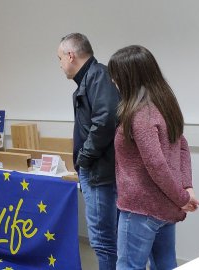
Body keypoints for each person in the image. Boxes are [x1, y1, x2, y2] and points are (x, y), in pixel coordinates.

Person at [108, 45, 199, 270]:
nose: (113, 82)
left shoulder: (140, 114)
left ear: (130, 77)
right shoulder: (164, 106)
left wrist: (182, 196)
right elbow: (183, 147)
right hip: (164, 209)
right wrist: (186, 189)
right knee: (165, 264)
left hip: (140, 210)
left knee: (129, 266)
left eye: (116, 76)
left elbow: (156, 164)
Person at [57, 33, 119, 270]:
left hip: (99, 172)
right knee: (104, 239)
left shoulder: (98, 76)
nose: (60, 65)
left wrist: (84, 158)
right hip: (96, 170)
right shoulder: (90, 79)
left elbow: (105, 121)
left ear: (71, 55)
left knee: (102, 241)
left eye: (60, 58)